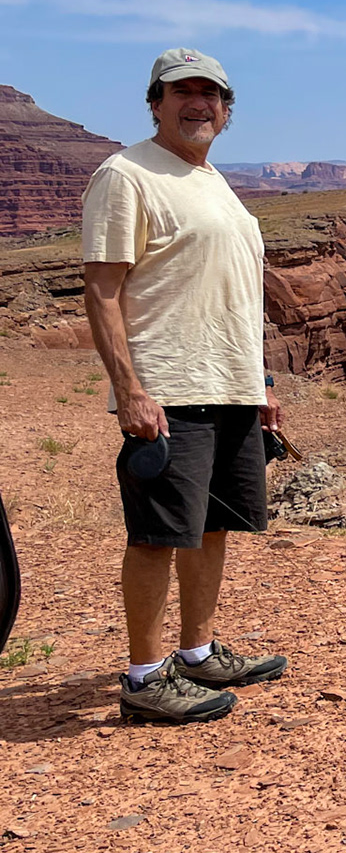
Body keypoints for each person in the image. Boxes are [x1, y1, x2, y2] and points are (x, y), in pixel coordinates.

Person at [80, 48, 288, 724]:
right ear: (155, 103)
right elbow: (101, 289)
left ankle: (197, 653)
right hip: (169, 388)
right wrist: (130, 389)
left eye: (211, 94)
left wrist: (259, 381)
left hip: (229, 384)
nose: (199, 104)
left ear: (227, 111)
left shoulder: (213, 180)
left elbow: (232, 294)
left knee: (213, 525)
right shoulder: (126, 175)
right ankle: (145, 677)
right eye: (183, 92)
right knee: (157, 534)